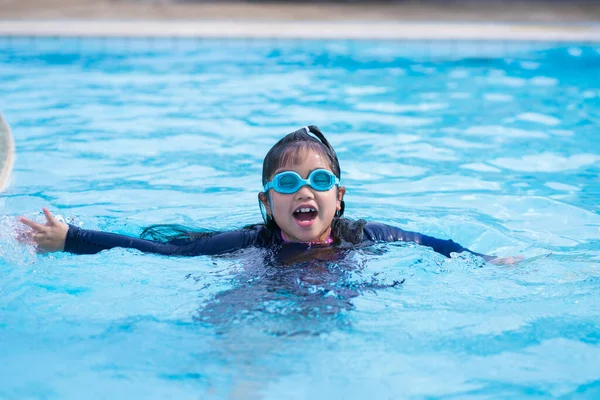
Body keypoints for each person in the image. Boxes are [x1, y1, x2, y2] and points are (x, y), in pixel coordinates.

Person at [19, 126, 516, 264]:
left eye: (320, 182)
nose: (305, 190)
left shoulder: (365, 235)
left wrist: (485, 259)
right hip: (265, 289)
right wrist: (72, 238)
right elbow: (165, 251)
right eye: (287, 183)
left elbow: (431, 244)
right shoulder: (253, 243)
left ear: (338, 197)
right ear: (267, 203)